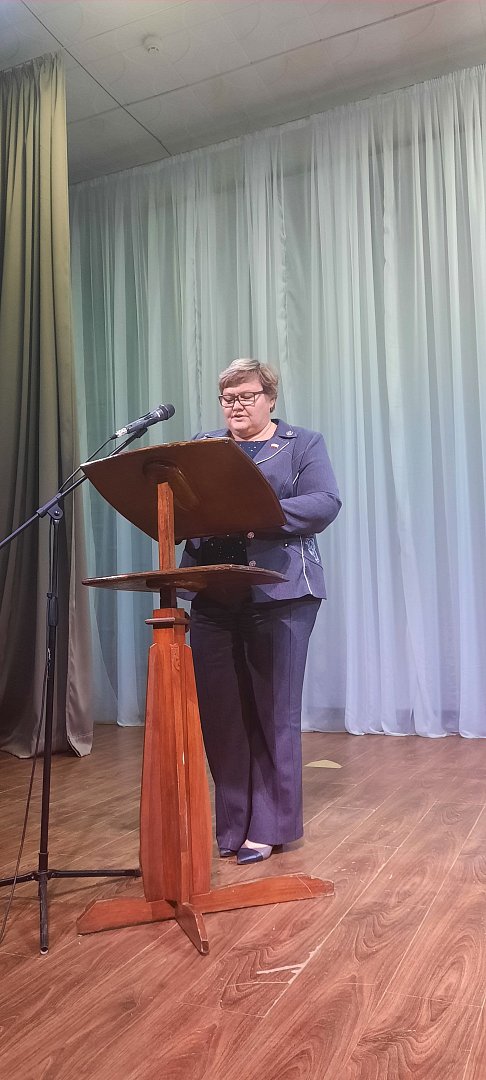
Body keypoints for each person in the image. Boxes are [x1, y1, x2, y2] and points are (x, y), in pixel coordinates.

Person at [181, 358, 341, 865]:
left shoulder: (302, 444)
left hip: (282, 593)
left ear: (270, 398)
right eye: (228, 398)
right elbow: (182, 504)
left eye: (246, 396)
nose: (236, 406)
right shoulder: (204, 446)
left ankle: (270, 827)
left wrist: (254, 515)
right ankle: (233, 824)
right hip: (214, 592)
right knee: (223, 716)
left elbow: (324, 502)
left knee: (273, 713)